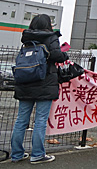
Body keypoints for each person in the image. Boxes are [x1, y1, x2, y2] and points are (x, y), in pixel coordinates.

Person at [11, 14, 68, 164]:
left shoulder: (26, 37)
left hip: (25, 82)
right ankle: (37, 154)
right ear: (48, 24)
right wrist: (64, 53)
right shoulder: (51, 37)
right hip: (44, 82)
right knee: (40, 120)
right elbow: (57, 55)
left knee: (21, 120)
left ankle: (16, 154)